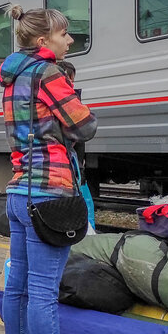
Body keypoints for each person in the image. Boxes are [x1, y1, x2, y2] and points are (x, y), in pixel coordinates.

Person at [0, 5, 98, 334]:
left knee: (17, 287)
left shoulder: (12, 77)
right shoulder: (49, 73)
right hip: (51, 192)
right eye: (64, 34)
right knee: (42, 292)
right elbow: (85, 126)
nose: (69, 40)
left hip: (20, 191)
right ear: (44, 41)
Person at [56, 60, 96, 233]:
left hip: (75, 164)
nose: (71, 84)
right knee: (79, 205)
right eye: (68, 79)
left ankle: (86, 235)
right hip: (65, 165)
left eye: (72, 80)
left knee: (84, 204)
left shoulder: (72, 100)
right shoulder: (61, 101)